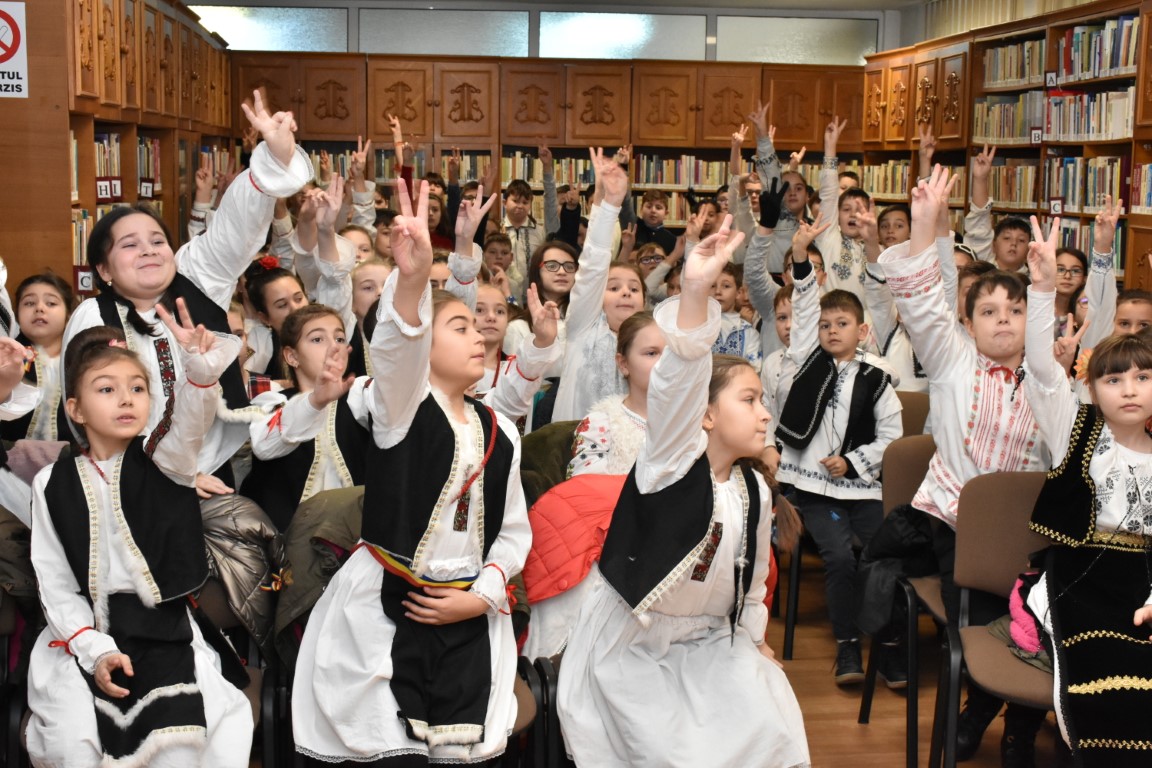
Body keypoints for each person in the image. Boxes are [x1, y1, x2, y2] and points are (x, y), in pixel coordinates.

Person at [556, 214, 809, 767]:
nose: (765, 415)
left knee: (773, 724)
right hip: (634, 647)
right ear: (706, 415)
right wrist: (694, 290)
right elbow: (676, 383)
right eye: (749, 401)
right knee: (677, 751)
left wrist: (755, 642)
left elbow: (752, 590)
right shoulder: (669, 464)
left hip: (712, 642)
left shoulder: (754, 490)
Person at [291, 179, 530, 765]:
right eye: (459, 328)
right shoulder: (400, 408)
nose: (478, 335)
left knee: (461, 753)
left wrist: (483, 596)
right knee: (394, 750)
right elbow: (396, 353)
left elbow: (512, 533)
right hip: (386, 610)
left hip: (469, 613)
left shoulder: (501, 430)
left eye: (478, 327)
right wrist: (415, 280)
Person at [876, 164, 1049, 766]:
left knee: (1042, 619)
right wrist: (926, 226)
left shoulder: (1050, 379)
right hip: (957, 522)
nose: (1003, 319)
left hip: (1032, 530)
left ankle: (1017, 729)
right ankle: (976, 708)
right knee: (982, 626)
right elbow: (923, 303)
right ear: (968, 323)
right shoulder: (952, 360)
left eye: (1016, 310)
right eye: (989, 310)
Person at [26, 311, 252, 767]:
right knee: (74, 743)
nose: (126, 398)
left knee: (182, 745)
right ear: (76, 409)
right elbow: (55, 580)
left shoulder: (166, 461)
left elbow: (187, 424)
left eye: (137, 388)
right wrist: (94, 650)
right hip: (85, 634)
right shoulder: (51, 482)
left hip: (166, 632)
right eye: (106, 389)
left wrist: (200, 377)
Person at [776, 217, 902, 685]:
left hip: (862, 489)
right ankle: (847, 646)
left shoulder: (877, 378)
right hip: (815, 492)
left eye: (842, 324)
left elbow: (891, 437)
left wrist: (852, 462)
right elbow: (805, 304)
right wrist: (801, 257)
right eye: (825, 325)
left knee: (882, 555)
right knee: (841, 558)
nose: (831, 331)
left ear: (862, 330)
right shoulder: (807, 360)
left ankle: (888, 646)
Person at [551, 148, 638, 423]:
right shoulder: (583, 327)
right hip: (576, 444)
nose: (626, 292)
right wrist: (610, 204)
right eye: (613, 288)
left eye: (634, 289)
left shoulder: (652, 339)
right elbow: (592, 266)